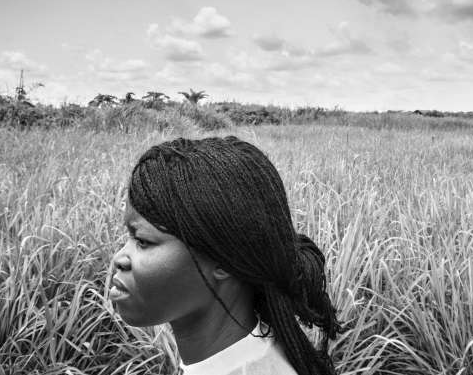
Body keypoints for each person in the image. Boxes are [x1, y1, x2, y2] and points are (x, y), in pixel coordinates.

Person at [110, 136, 342, 375]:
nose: (119, 258)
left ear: (223, 261)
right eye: (129, 236)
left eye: (143, 241)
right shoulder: (256, 351)